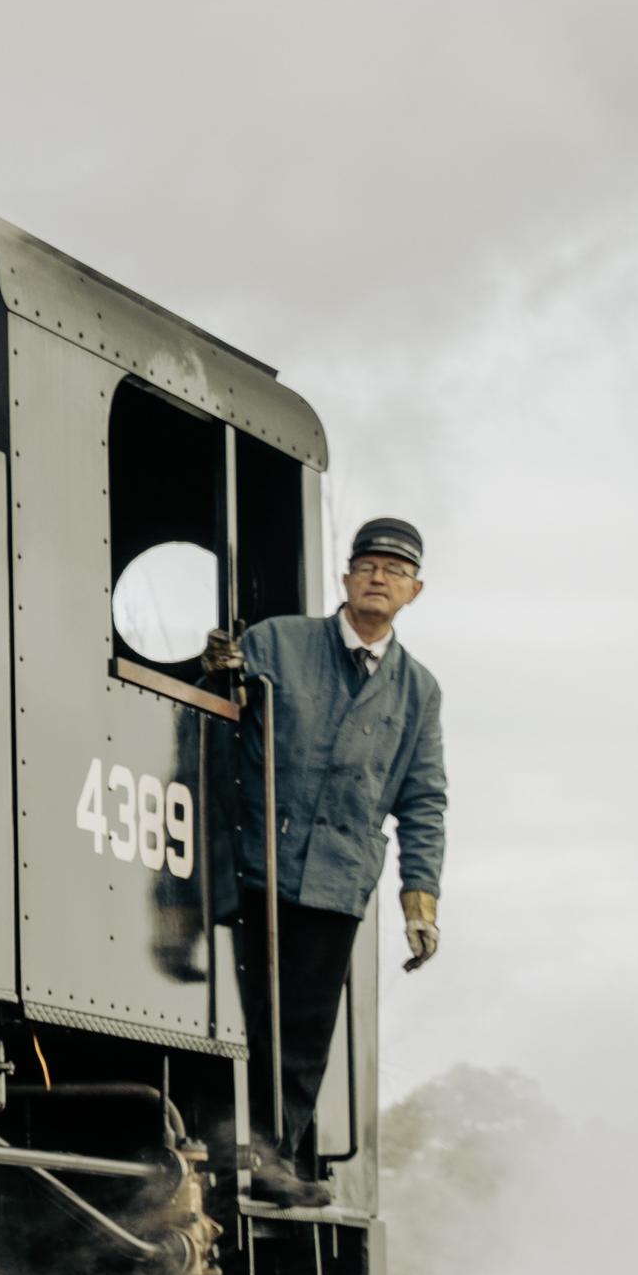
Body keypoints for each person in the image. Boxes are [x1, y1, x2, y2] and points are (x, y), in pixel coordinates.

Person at [221, 517, 446, 1208]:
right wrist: (214, 672)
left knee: (307, 1028)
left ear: (415, 590)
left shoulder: (419, 692)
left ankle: (276, 1155)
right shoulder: (275, 643)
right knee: (254, 1014)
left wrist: (420, 901)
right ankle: (247, 1148)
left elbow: (424, 797)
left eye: (394, 570)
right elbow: (219, 721)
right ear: (346, 578)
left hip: (339, 879)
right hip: (259, 861)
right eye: (368, 565)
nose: (379, 577)